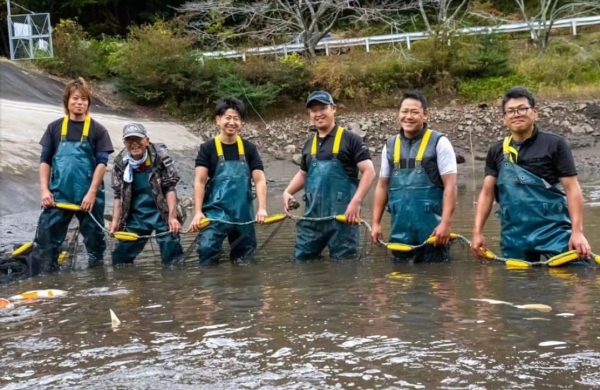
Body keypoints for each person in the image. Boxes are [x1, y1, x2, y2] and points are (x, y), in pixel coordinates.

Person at [471, 86, 592, 263]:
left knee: (577, 277)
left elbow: (572, 189)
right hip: (514, 235)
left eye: (522, 109)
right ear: (504, 119)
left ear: (535, 113)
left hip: (555, 231)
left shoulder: (555, 144)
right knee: (516, 286)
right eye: (510, 111)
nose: (516, 114)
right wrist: (477, 232)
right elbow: (487, 193)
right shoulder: (496, 150)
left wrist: (577, 232)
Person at [29, 77, 114, 276]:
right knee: (46, 240)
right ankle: (45, 280)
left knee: (95, 243)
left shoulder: (98, 129)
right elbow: (45, 161)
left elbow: (102, 164)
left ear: (89, 103)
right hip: (58, 196)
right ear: (67, 101)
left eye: (84, 99)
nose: (79, 103)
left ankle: (97, 280)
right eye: (75, 98)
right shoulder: (54, 128)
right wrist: (44, 191)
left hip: (89, 198)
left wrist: (92, 193)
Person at [283, 91, 376, 261]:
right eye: (313, 110)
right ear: (309, 115)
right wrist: (287, 191)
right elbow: (303, 174)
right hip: (312, 220)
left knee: (345, 269)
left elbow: (369, 171)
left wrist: (356, 202)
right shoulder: (309, 144)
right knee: (301, 262)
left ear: (334, 109)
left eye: (323, 108)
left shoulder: (351, 140)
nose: (318, 114)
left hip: (343, 220)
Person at [371, 91, 458, 263]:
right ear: (399, 114)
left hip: (434, 234)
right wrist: (376, 223)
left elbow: (451, 186)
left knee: (436, 278)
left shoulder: (440, 142)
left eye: (414, 112)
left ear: (425, 115)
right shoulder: (389, 146)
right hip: (400, 234)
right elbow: (382, 186)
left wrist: (446, 224)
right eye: (404, 111)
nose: (408, 116)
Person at [190, 98, 268, 265]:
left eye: (236, 118)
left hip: (243, 215)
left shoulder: (249, 148)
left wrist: (262, 208)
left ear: (242, 122)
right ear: (218, 120)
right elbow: (200, 181)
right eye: (228, 117)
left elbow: (260, 180)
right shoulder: (207, 148)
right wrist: (198, 212)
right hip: (215, 214)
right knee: (206, 252)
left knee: (245, 260)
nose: (232, 122)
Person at [109, 123, 185, 266]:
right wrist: (115, 221)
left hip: (162, 213)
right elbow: (118, 194)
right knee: (120, 259)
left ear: (147, 140)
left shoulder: (161, 157)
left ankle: (175, 285)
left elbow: (170, 188)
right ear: (124, 143)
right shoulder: (120, 163)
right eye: (129, 140)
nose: (134, 144)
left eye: (138, 139)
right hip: (136, 215)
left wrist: (173, 217)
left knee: (173, 259)